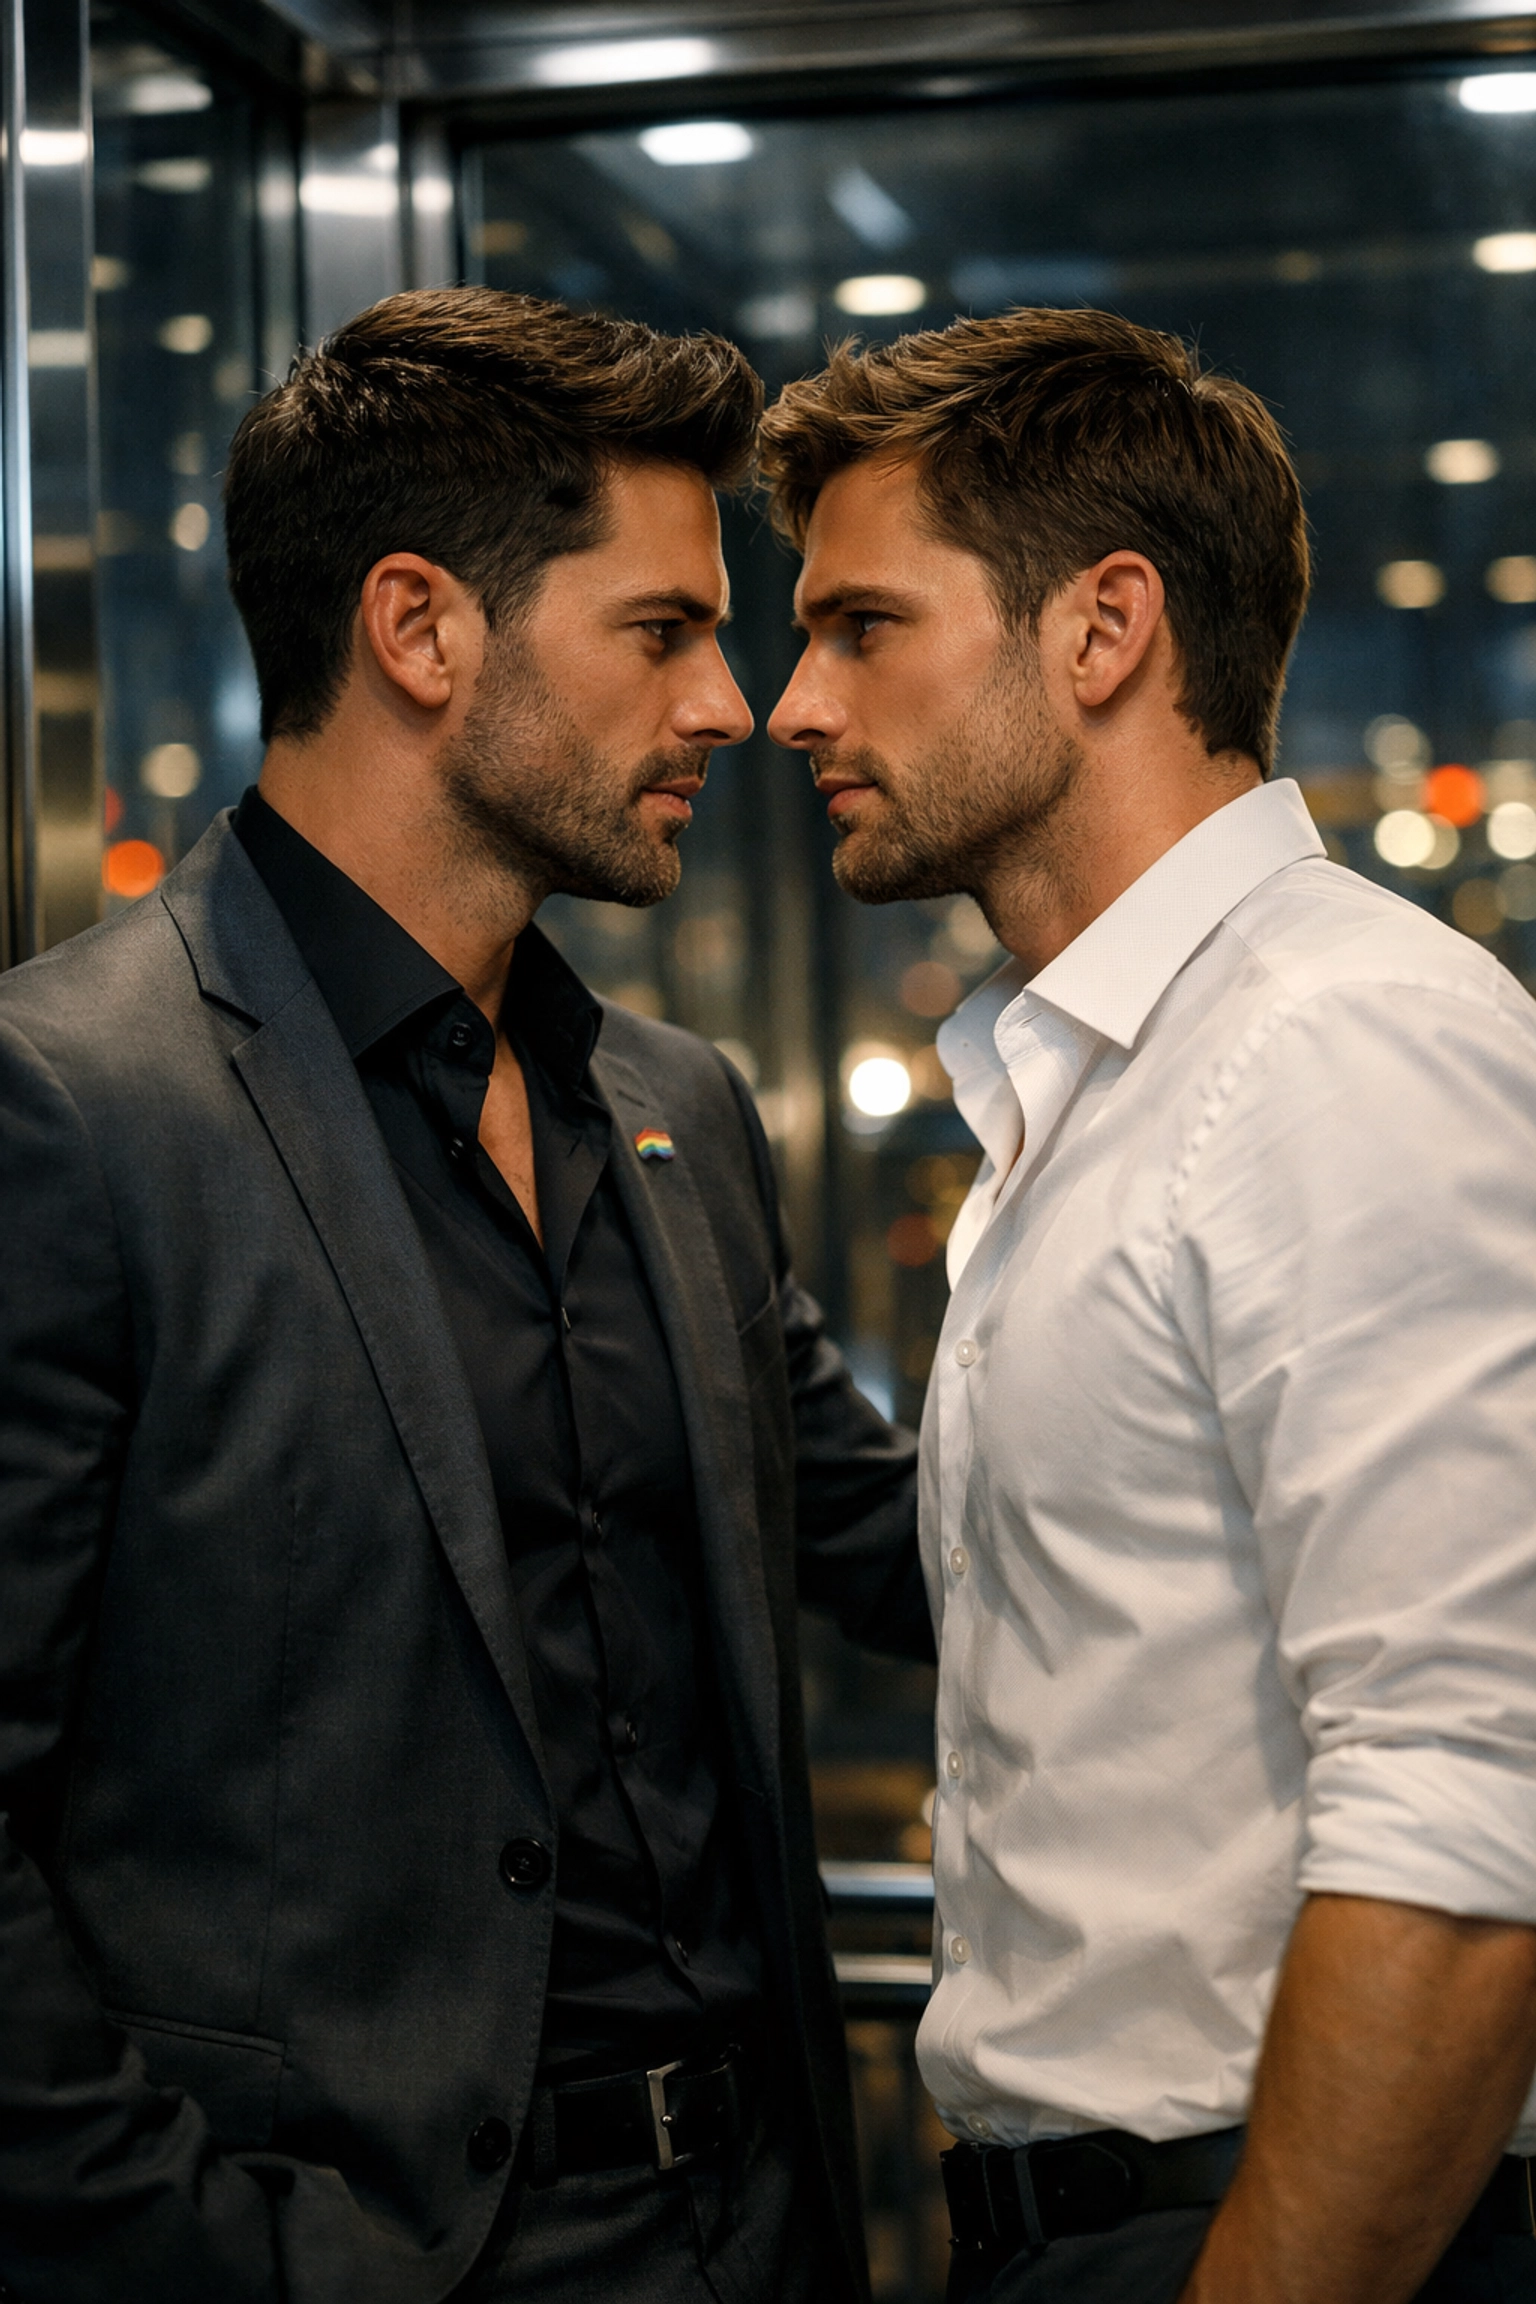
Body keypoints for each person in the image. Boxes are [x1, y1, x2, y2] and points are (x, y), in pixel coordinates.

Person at [0, 288, 930, 2304]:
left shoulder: (676, 1107)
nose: (730, 704)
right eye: (662, 630)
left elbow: (908, 1546)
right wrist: (203, 2256)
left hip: (759, 2232)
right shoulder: (70, 1105)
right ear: (419, 630)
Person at [759, 305, 1536, 2304]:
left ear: (1104, 630)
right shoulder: (1107, 1084)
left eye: (863, 627)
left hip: (1280, 2233)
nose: (792, 705)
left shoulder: (1337, 1042)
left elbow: (1473, 1803)